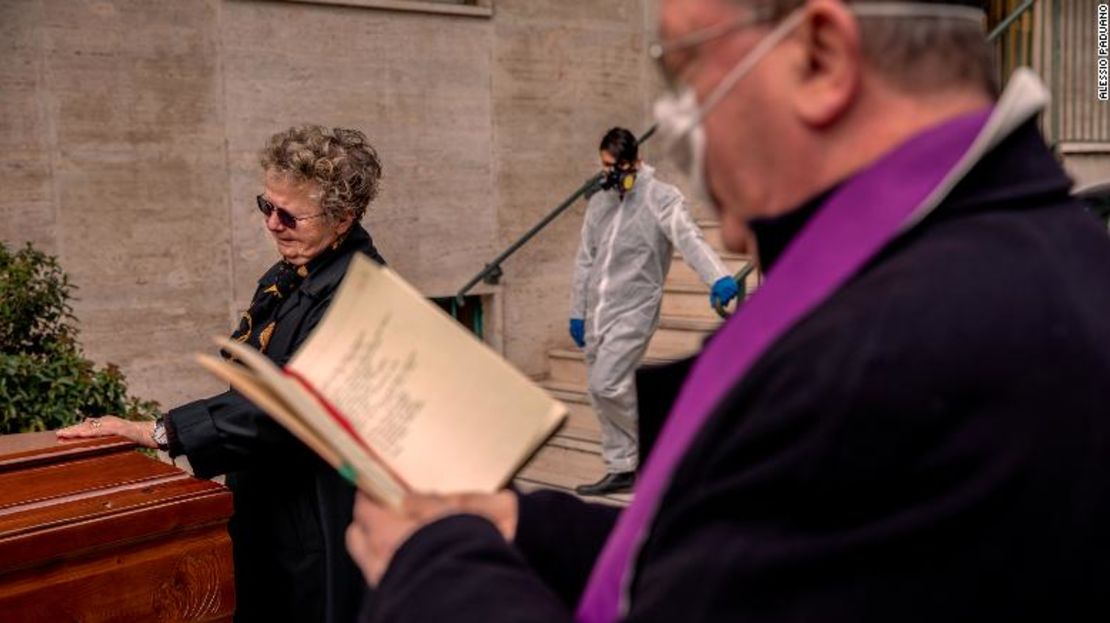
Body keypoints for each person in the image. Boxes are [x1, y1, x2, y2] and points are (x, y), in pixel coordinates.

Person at [347, 1, 1110, 621]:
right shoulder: (1036, 256)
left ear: (819, 57)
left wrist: (435, 566)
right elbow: (761, 562)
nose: (685, 122)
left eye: (686, 71)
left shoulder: (875, 359)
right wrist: (528, 530)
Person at [58, 125, 386, 623]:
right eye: (265, 206)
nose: (272, 224)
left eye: (289, 214)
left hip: (314, 519)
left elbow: (286, 406)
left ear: (343, 218)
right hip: (266, 504)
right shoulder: (293, 270)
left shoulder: (360, 291)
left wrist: (155, 431)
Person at [569, 127, 738, 496]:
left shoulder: (660, 198)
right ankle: (622, 466)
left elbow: (689, 237)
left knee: (607, 382)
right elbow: (585, 261)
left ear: (633, 161)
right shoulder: (601, 202)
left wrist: (719, 278)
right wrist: (577, 311)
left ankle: (667, 445)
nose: (608, 174)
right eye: (603, 166)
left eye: (614, 166)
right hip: (598, 311)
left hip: (635, 307)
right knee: (601, 393)